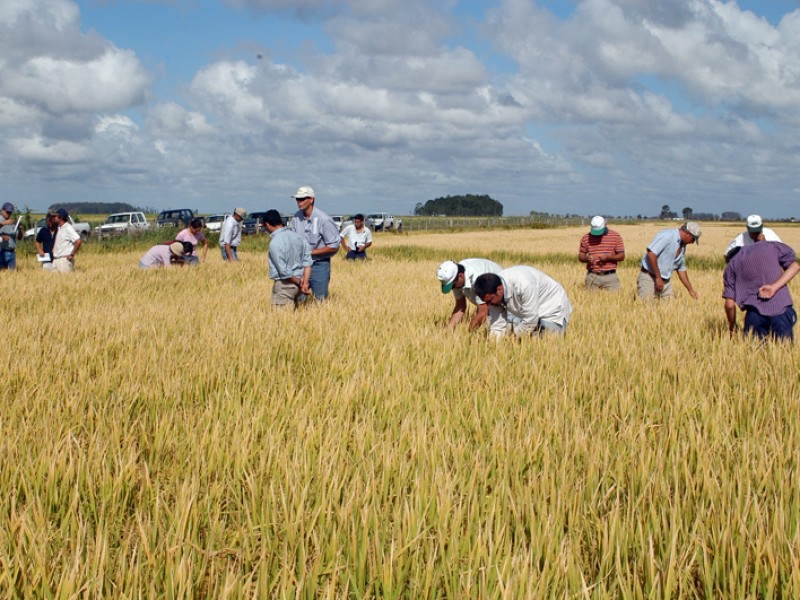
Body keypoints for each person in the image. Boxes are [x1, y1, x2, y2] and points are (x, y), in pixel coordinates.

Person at [723, 241, 799, 342]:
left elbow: (729, 305)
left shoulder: (730, 267)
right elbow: (795, 266)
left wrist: (732, 327)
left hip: (754, 315)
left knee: (757, 353)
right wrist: (774, 287)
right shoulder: (769, 245)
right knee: (785, 351)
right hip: (781, 309)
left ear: (729, 258)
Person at [474, 266, 572, 339]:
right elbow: (497, 325)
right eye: (486, 302)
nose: (488, 305)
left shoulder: (524, 284)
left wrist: (515, 338)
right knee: (531, 342)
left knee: (549, 343)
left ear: (499, 290)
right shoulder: (492, 294)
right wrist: (493, 346)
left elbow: (530, 319)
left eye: (490, 301)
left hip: (551, 306)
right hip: (530, 309)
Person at [290, 186, 340, 299]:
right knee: (298, 300)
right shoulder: (296, 218)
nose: (299, 202)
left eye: (302, 199)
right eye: (297, 199)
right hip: (300, 265)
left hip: (319, 265)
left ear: (311, 199)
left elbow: (334, 246)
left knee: (320, 300)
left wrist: (311, 252)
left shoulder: (324, 219)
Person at [637, 222, 701, 300]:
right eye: (693, 239)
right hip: (649, 278)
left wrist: (691, 290)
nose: (693, 242)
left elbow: (681, 269)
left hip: (665, 281)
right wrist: (658, 278)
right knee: (647, 307)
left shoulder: (682, 246)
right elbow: (651, 253)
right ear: (688, 233)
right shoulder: (667, 236)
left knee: (670, 307)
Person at [437, 258, 503, 331]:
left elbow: (483, 312)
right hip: (488, 295)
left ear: (461, 276)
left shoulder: (477, 279)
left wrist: (468, 333)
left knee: (496, 328)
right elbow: (460, 306)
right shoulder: (456, 278)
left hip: (500, 295)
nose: (453, 288)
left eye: (452, 286)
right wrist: (449, 329)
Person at [264, 209, 312, 307]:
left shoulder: (275, 242)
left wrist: (299, 283)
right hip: (300, 286)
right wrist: (304, 283)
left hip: (284, 285)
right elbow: (308, 263)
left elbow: (283, 271)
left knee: (281, 320)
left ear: (268, 225)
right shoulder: (299, 237)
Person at [578, 216, 625, 291]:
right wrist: (587, 258)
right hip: (592, 277)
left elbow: (622, 256)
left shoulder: (615, 236)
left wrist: (608, 258)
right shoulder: (586, 238)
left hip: (610, 277)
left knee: (614, 301)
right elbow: (581, 257)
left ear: (605, 225)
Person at [52, 208, 83, 273]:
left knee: (65, 281)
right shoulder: (59, 228)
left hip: (64, 260)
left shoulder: (68, 228)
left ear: (60, 217)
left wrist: (72, 255)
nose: (54, 218)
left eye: (56, 216)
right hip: (56, 259)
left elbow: (78, 241)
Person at [0, 202, 17, 270]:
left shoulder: (11, 222)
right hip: (1, 252)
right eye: (7, 212)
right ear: (2, 210)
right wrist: (4, 223)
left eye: (10, 212)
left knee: (12, 275)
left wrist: (20, 230)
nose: (9, 214)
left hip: (12, 252)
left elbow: (19, 237)